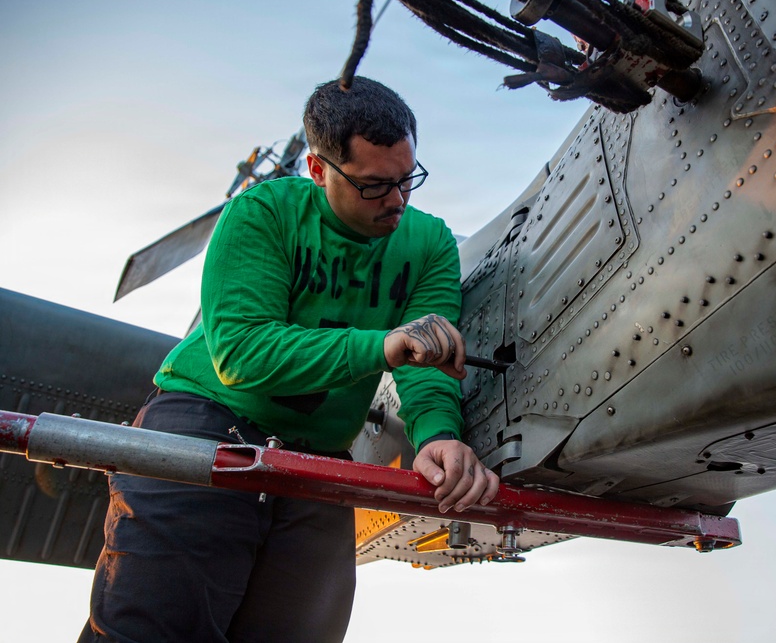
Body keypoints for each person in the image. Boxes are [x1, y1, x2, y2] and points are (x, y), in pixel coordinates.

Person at [79, 77, 499, 643]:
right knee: (151, 629)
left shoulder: (429, 243)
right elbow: (242, 353)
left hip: (321, 458)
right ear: (318, 169)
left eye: (408, 180)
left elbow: (429, 354)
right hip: (203, 425)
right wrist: (380, 345)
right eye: (376, 186)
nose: (397, 201)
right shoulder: (260, 213)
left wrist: (437, 436)